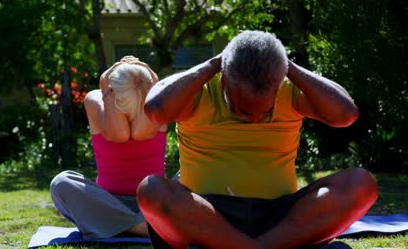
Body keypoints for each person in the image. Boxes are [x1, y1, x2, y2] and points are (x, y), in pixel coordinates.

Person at [138, 30, 378, 248]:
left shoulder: (287, 87)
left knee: (360, 184)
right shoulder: (201, 90)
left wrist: (287, 65)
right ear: (224, 81)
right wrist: (214, 63)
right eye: (244, 109)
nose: (254, 118)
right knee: (151, 190)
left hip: (280, 221)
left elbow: (346, 114)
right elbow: (155, 110)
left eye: (265, 110)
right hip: (208, 218)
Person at [50, 56, 167, 238]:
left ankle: (120, 226)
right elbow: (118, 135)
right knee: (61, 183)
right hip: (109, 203)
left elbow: (139, 133)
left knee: (194, 175)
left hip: (153, 202)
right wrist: (105, 88)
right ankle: (141, 227)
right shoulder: (96, 100)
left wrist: (154, 86)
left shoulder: (158, 102)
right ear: (112, 93)